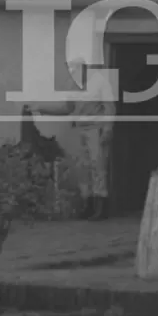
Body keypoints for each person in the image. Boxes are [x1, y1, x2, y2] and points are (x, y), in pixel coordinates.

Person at [30, 57, 115, 221]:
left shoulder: (100, 82)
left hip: (96, 129)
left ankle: (101, 206)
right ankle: (88, 205)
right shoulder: (72, 84)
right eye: (71, 69)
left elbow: (110, 108)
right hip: (80, 128)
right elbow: (67, 107)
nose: (73, 72)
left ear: (85, 68)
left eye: (76, 69)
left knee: (98, 166)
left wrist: (107, 129)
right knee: (83, 167)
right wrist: (41, 108)